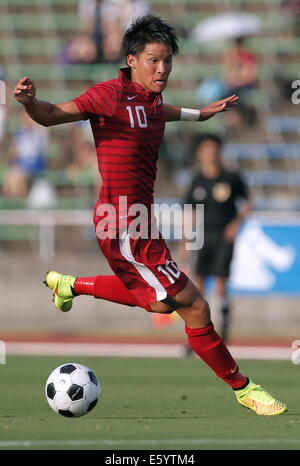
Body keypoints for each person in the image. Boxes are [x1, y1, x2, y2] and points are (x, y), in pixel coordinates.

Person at [14, 15, 286, 416]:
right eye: (154, 61)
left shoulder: (152, 99)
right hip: (122, 222)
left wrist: (199, 114)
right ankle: (244, 387)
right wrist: (29, 103)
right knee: (195, 306)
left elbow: (161, 112)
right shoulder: (107, 96)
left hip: (141, 218)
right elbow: (54, 114)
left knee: (161, 305)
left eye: (168, 62)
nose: (162, 69)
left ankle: (72, 285)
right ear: (132, 60)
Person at [181, 133, 251, 343]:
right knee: (198, 284)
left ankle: (223, 330)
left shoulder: (231, 177)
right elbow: (190, 212)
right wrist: (186, 240)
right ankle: (197, 333)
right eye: (207, 150)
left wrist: (235, 224)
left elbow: (248, 205)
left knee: (221, 282)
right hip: (202, 235)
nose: (211, 154)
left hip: (223, 236)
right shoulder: (197, 180)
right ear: (199, 153)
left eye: (214, 149)